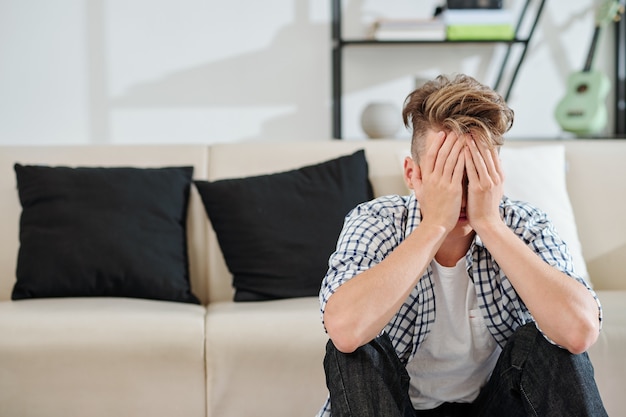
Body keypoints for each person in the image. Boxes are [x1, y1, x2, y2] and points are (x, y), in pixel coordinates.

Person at [316, 74, 606, 417]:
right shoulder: (377, 221)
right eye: (447, 175)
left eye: (474, 174)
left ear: (495, 174)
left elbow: (580, 332)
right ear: (412, 175)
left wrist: (491, 225)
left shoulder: (524, 224)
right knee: (356, 350)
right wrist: (434, 225)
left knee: (550, 342)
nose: (460, 191)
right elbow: (345, 331)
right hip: (397, 408)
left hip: (498, 407)